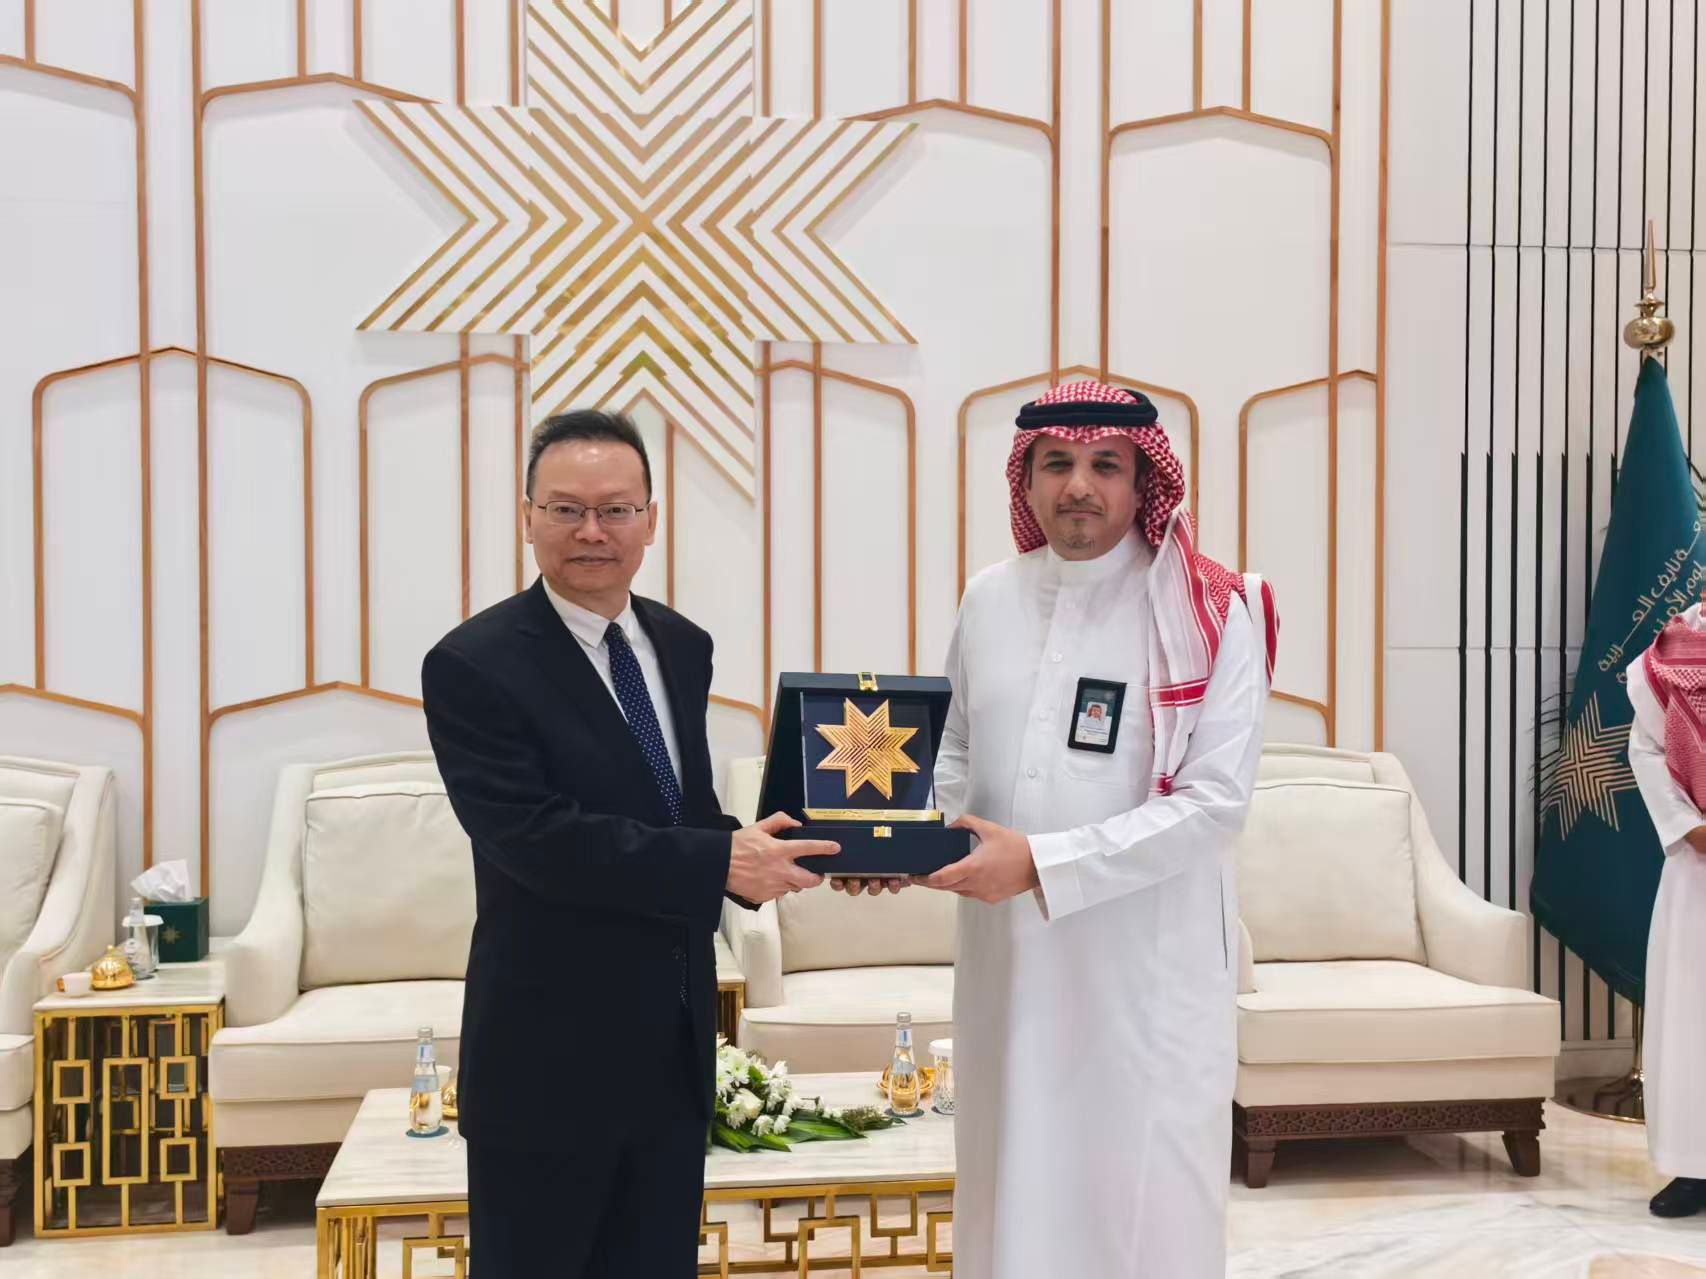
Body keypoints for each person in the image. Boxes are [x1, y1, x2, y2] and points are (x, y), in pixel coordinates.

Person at [840, 380, 1277, 1276]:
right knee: (1010, 1179)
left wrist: (1041, 863)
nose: (1079, 485)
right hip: (1007, 962)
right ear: (1027, 478)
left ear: (1142, 481)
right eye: (1057, 463)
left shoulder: (1213, 609)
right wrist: (906, 841)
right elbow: (954, 751)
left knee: (1141, 1201)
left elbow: (1213, 805)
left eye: (1105, 464)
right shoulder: (989, 597)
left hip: (1143, 975)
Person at [421, 410, 837, 1277]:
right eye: (566, 509)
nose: (592, 531)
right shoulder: (472, 663)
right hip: (545, 1061)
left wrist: (790, 852)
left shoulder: (680, 645)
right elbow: (535, 838)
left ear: (651, 519)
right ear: (527, 516)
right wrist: (721, 861)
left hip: (671, 1051)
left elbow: (680, 811)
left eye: (615, 509)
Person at [1624, 592, 1706, 1219]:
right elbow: (1646, 751)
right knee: (1691, 1023)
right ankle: (1695, 1167)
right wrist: (1688, 825)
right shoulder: (1668, 655)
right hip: (1697, 866)